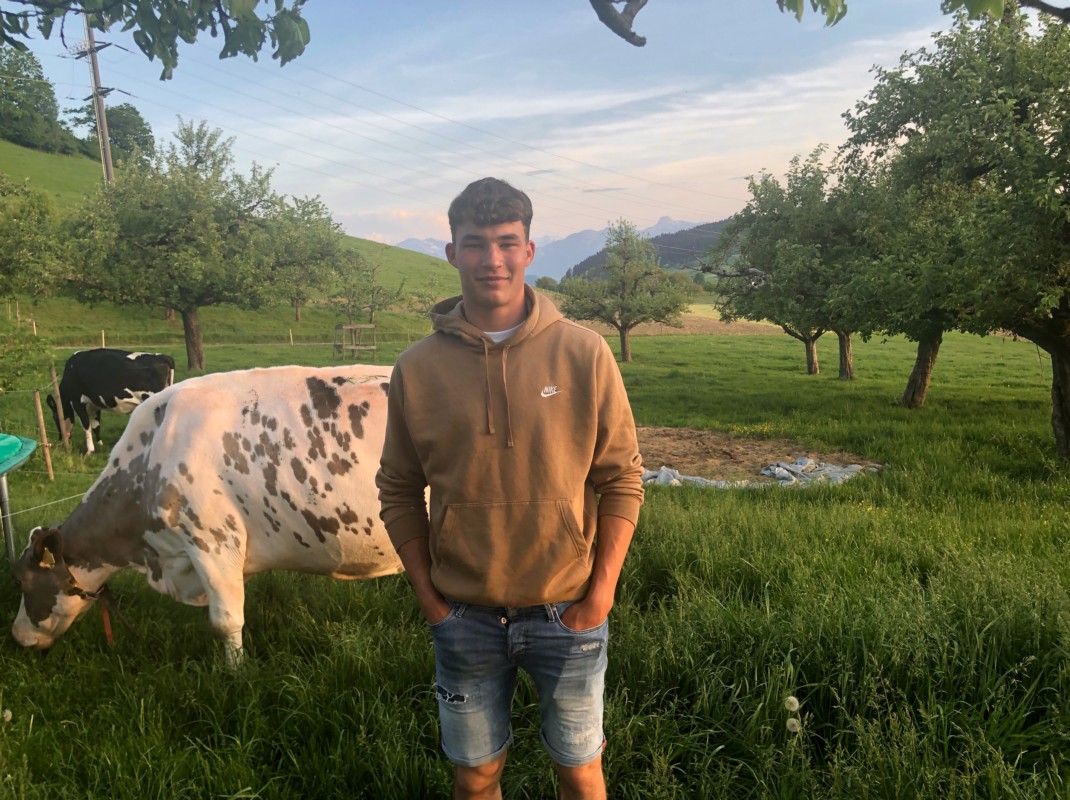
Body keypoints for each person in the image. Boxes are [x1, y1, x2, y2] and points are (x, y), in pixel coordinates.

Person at [376, 177, 644, 800]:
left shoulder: (584, 353)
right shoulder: (416, 368)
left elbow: (621, 478)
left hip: (567, 609)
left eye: (506, 242)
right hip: (463, 615)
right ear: (452, 253)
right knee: (475, 778)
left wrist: (600, 594)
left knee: (579, 771)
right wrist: (431, 601)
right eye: (475, 243)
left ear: (528, 250)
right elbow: (398, 489)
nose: (491, 259)